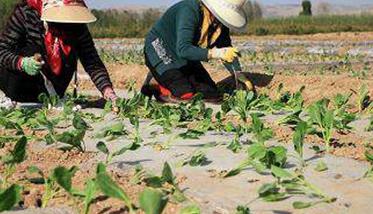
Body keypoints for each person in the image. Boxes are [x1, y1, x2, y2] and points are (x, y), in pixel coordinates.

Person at [0, 0, 118, 108]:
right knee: (32, 50)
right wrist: (21, 63)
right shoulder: (25, 14)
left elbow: (91, 60)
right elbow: (2, 50)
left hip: (54, 89)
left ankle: (51, 96)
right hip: (20, 84)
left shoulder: (76, 24)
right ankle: (16, 98)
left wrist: (107, 90)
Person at [142, 0, 254, 103]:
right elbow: (183, 50)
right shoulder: (189, 11)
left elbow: (226, 48)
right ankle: (156, 81)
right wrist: (216, 53)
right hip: (161, 47)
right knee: (185, 94)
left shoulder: (219, 23)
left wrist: (238, 74)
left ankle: (168, 76)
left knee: (211, 95)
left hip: (184, 54)